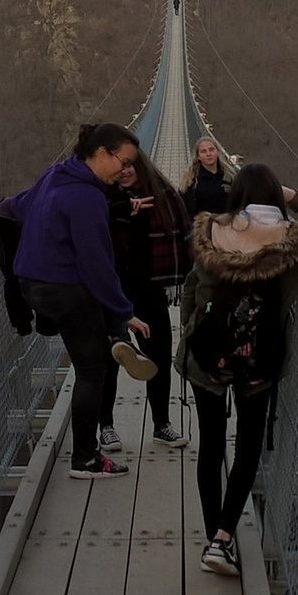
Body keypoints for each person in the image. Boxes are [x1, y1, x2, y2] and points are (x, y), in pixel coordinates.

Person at [175, 163, 298, 574]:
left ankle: (212, 535)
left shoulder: (211, 230)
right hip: (260, 356)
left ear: (236, 196)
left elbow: (192, 291)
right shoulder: (293, 240)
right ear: (274, 195)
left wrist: (190, 332)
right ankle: (223, 539)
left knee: (211, 445)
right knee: (247, 446)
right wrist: (293, 196)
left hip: (208, 354)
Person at [11, 123, 157, 480]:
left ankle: (111, 335)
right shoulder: (88, 198)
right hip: (65, 290)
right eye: (123, 162)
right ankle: (86, 459)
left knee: (93, 331)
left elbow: (21, 204)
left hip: (30, 284)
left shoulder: (56, 174)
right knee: (93, 372)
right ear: (103, 153)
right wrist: (126, 311)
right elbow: (97, 264)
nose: (126, 170)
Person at [99, 150, 193, 452]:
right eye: (120, 166)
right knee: (110, 356)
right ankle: (106, 427)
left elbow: (187, 237)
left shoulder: (164, 196)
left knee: (159, 355)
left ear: (141, 166)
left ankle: (161, 424)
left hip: (149, 288)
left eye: (130, 165)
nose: (125, 171)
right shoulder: (102, 197)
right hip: (111, 287)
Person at [180, 136, 230, 218]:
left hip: (227, 225)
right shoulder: (191, 181)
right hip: (203, 227)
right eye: (203, 151)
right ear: (198, 157)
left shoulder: (230, 177)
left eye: (211, 149)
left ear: (217, 152)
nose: (208, 154)